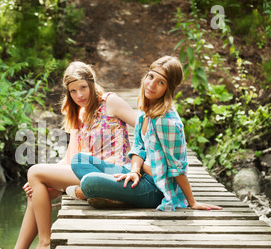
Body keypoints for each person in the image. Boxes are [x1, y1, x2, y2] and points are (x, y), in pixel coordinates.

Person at [0, 61, 137, 249]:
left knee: (35, 172)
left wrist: (138, 164)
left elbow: (144, 128)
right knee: (37, 190)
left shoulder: (110, 102)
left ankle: (45, 242)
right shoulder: (77, 113)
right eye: (73, 90)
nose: (79, 95)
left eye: (83, 87)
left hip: (110, 172)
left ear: (92, 84)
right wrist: (44, 179)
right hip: (83, 171)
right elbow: (70, 157)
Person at [69, 56, 223, 211]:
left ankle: (107, 192)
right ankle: (115, 194)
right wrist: (134, 171)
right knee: (78, 160)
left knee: (89, 182)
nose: (152, 84)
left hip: (155, 188)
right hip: (137, 174)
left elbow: (177, 168)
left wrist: (192, 202)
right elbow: (138, 147)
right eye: (151, 77)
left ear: (168, 89)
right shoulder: (146, 112)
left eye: (161, 82)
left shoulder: (166, 122)